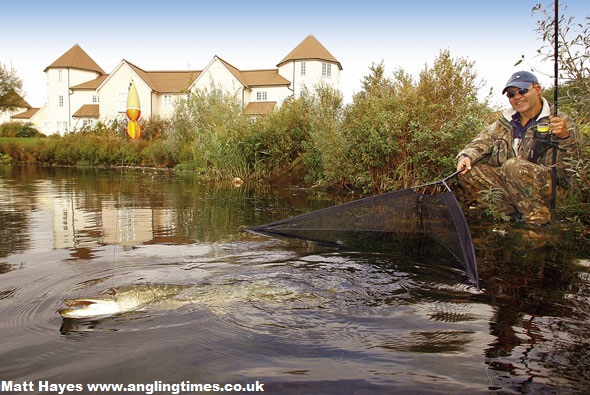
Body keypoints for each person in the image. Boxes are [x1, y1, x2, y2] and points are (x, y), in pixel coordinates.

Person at [456, 71, 579, 226]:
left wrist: (564, 137)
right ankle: (509, 217)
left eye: (523, 91)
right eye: (511, 94)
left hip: (550, 189)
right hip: (513, 185)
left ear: (538, 90)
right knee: (468, 171)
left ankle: (538, 220)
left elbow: (569, 169)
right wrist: (466, 156)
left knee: (514, 166)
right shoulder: (505, 122)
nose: (517, 97)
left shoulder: (560, 122)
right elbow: (478, 144)